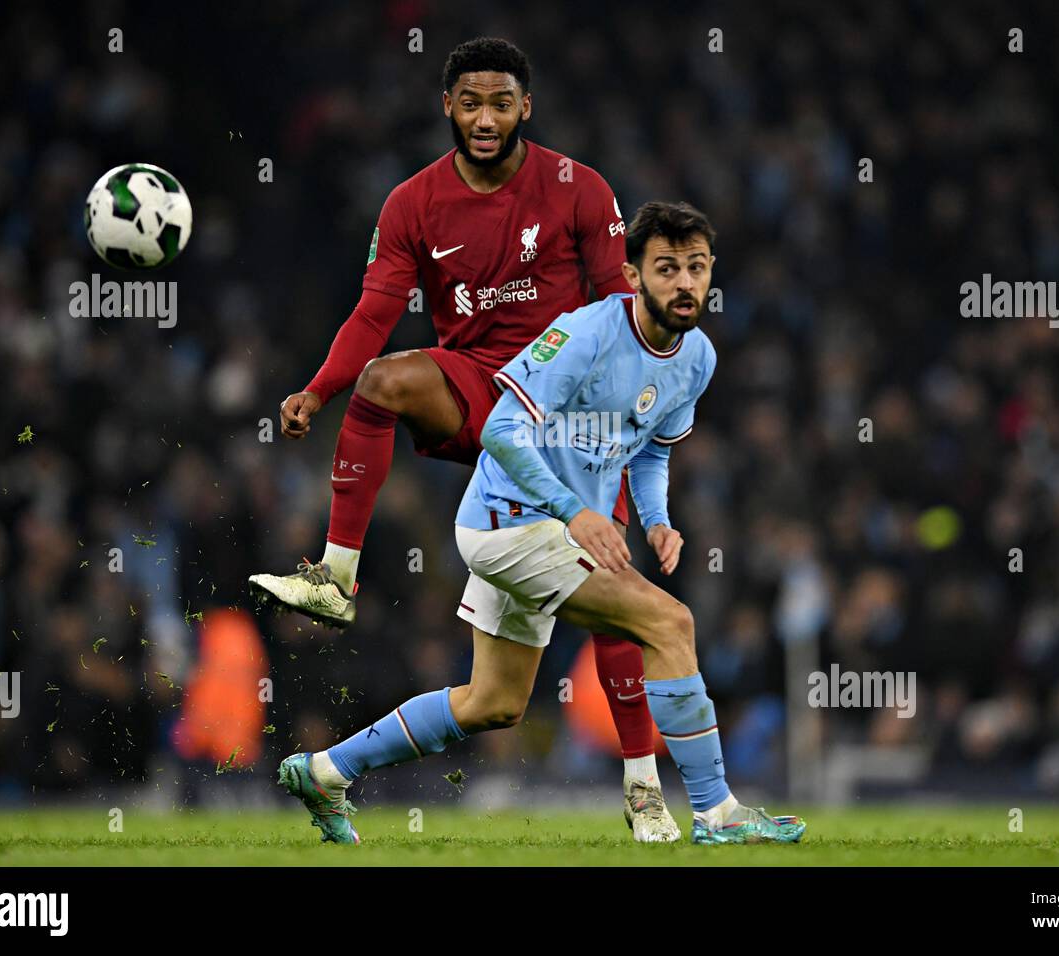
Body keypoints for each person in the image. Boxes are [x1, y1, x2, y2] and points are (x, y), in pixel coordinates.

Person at [247, 37, 677, 841]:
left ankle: (325, 772)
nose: (485, 117)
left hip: (569, 410)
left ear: (526, 108)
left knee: (499, 700)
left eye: (501, 103)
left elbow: (622, 298)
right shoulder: (413, 202)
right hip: (481, 390)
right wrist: (318, 387)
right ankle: (337, 575)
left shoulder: (577, 189)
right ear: (447, 106)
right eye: (470, 102)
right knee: (383, 378)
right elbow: (375, 313)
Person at [278, 201, 807, 846]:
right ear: (633, 276)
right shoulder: (584, 334)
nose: (684, 283)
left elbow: (653, 448)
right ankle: (716, 812)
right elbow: (500, 427)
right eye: (666, 268)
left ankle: (325, 770)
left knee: (492, 701)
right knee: (671, 622)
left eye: (696, 267)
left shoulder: (697, 358)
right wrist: (576, 512)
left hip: (546, 532)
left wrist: (658, 520)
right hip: (509, 525)